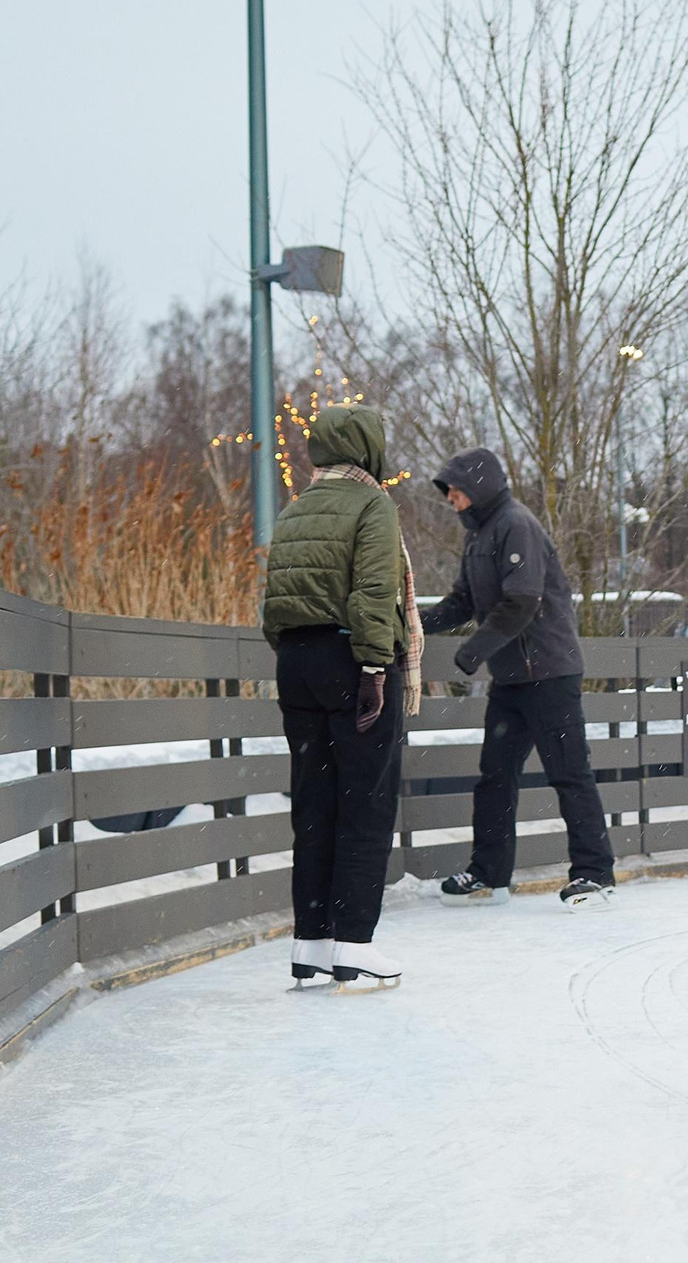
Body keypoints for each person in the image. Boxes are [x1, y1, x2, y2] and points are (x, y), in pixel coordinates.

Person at [259, 406, 417, 989]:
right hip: (352, 660)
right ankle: (353, 943)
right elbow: (374, 589)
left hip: (296, 664)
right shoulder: (372, 504)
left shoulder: (297, 507)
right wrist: (375, 668)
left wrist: (293, 652)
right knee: (366, 804)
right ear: (369, 448)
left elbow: (275, 598)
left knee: (315, 806)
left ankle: (311, 944)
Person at [422, 447, 618, 909]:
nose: (450, 499)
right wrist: (412, 623)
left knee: (569, 774)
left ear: (477, 487)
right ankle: (489, 875)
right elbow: (462, 601)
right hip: (512, 678)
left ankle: (594, 874)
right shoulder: (478, 537)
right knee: (495, 776)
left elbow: (522, 601)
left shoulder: (517, 524)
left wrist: (473, 651)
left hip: (549, 674)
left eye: (454, 490)